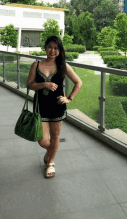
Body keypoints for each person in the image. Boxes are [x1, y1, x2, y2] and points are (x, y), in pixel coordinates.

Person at [26, 35, 82, 178]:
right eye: (50, 47)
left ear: (60, 50)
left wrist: (69, 98)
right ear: (45, 48)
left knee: (55, 136)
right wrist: (44, 84)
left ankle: (50, 162)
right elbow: (29, 85)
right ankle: (52, 150)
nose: (52, 51)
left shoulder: (63, 66)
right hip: (41, 107)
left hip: (58, 106)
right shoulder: (36, 65)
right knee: (42, 140)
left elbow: (78, 82)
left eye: (56, 48)